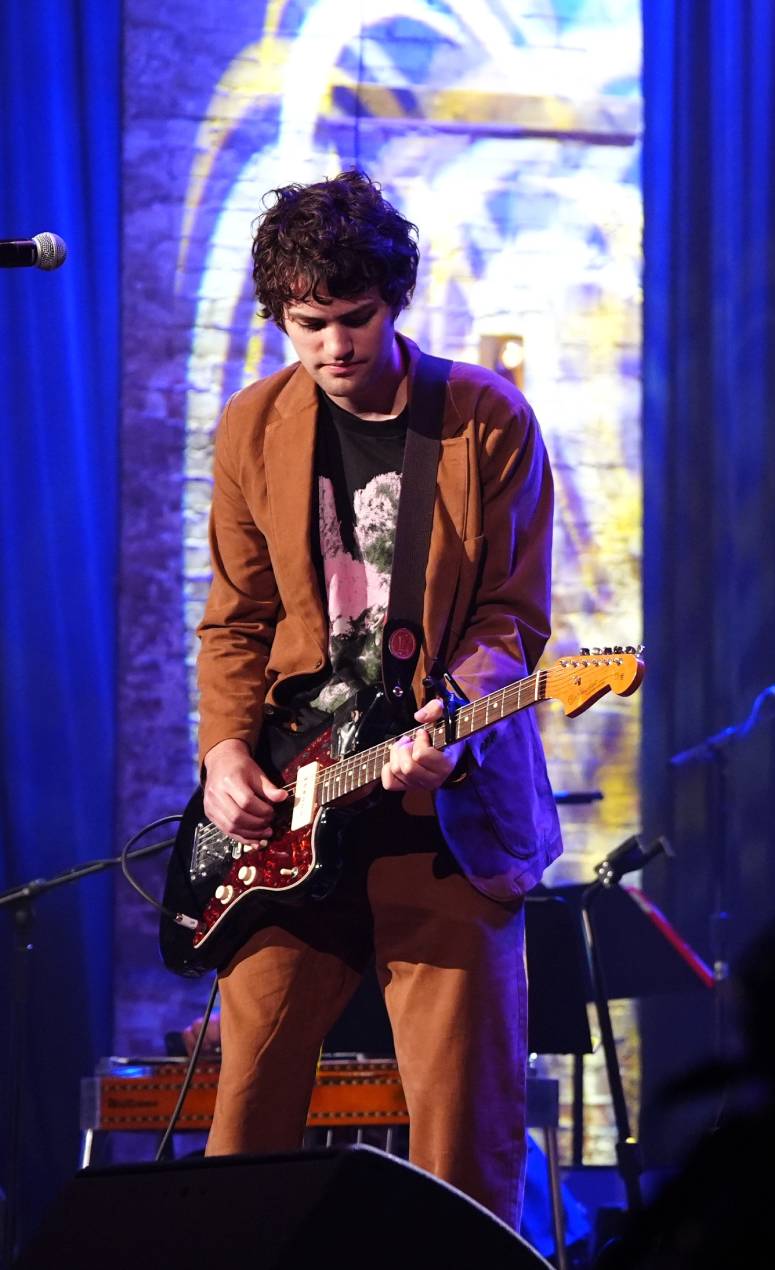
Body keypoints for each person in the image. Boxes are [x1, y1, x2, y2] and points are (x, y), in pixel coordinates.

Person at [195, 170, 561, 1226]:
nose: (333, 347)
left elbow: (512, 619)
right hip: (294, 813)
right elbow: (235, 619)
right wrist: (225, 752)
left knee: (462, 1150)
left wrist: (453, 715)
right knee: (242, 1133)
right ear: (279, 316)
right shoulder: (251, 426)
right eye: (307, 324)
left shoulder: (485, 419)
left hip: (440, 814)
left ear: (393, 301)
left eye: (354, 319)